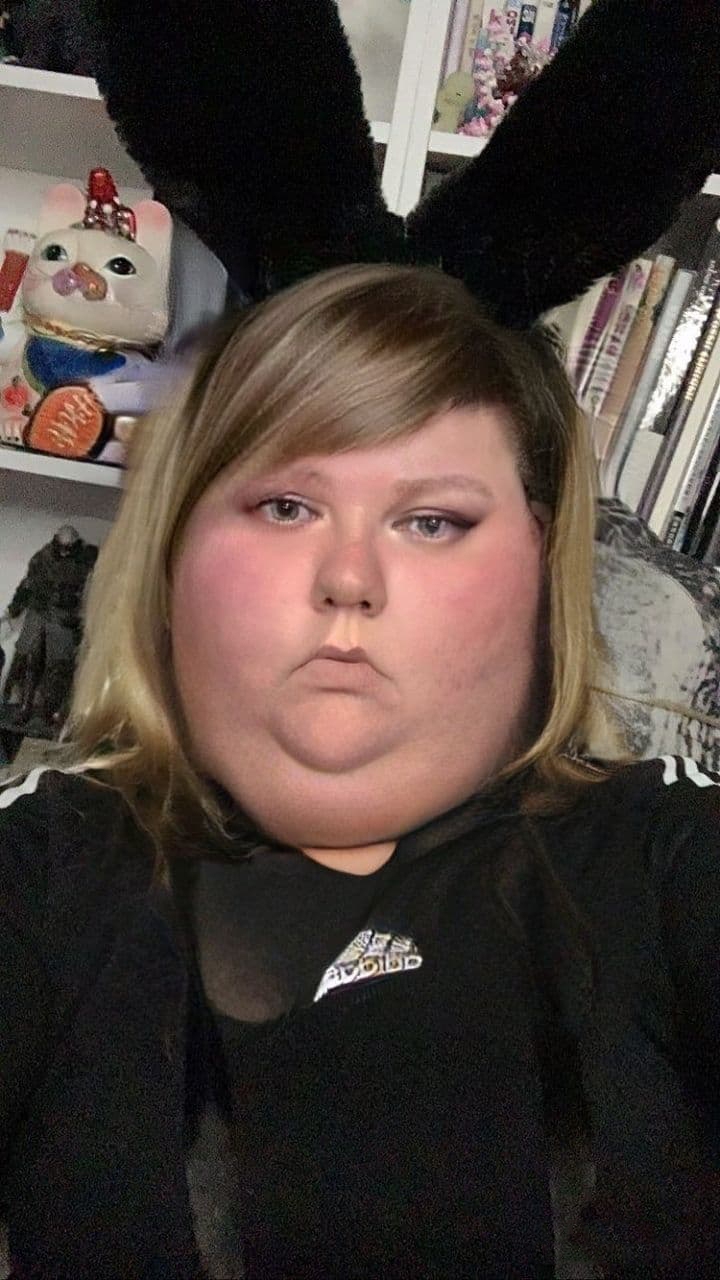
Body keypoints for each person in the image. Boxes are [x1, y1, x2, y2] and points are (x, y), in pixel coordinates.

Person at [0, 264, 717, 1280]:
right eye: (286, 505)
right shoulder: (52, 859)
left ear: (539, 564)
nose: (349, 578)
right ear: (177, 551)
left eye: (432, 521)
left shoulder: (663, 847)